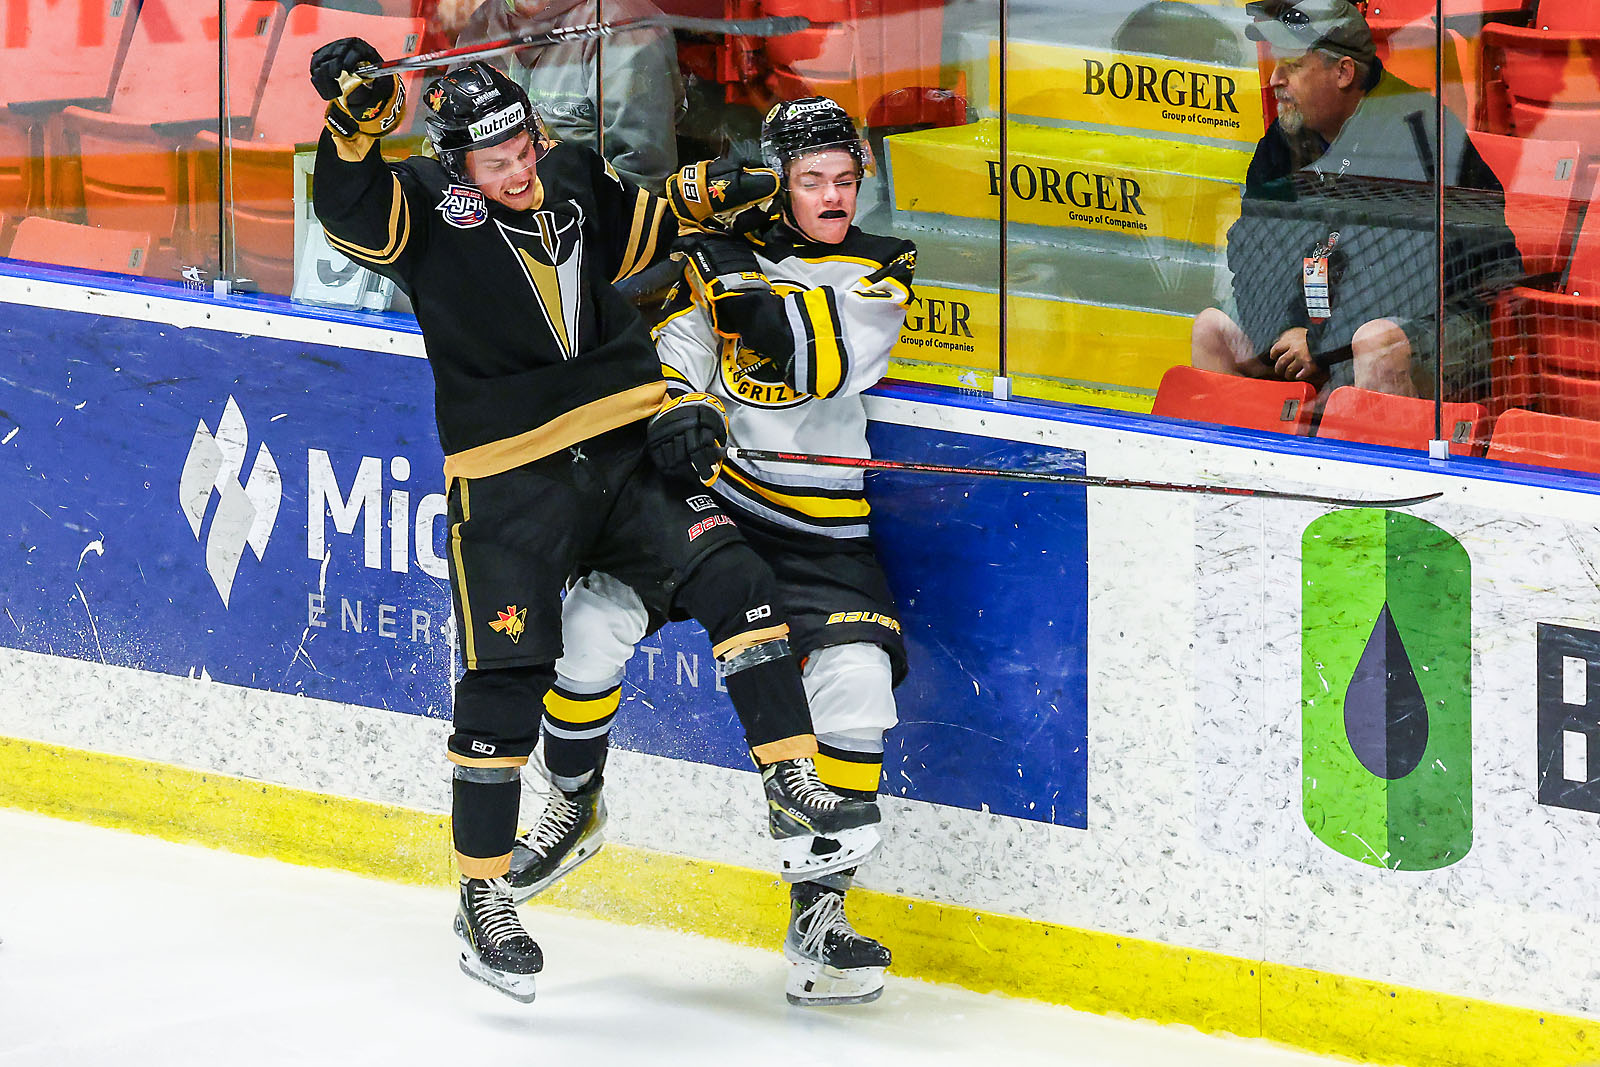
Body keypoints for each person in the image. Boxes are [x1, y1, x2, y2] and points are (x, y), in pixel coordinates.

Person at [307, 42, 879, 1003]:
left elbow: (647, 216)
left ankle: (790, 782)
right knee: (503, 690)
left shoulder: (568, 170)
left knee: (735, 578)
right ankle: (484, 897)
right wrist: (351, 123)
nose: (522, 169)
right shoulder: (419, 213)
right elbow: (347, 207)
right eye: (496, 163)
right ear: (457, 168)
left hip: (623, 449)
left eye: (524, 145)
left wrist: (722, 185)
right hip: (509, 481)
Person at [506, 96, 917, 1008]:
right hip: (717, 508)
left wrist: (730, 274)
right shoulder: (719, 252)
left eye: (845, 179)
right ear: (779, 182)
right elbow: (676, 348)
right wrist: (682, 405)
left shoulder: (883, 271)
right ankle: (571, 800)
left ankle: (820, 914)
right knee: (590, 622)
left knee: (854, 678)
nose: (833, 195)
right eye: (812, 180)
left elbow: (813, 356)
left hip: (818, 530)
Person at [1191, 0, 1519, 404]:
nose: (1275, 79)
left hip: (1444, 319)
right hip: (1321, 316)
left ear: (1343, 72)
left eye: (1292, 66)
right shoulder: (1284, 140)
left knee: (1374, 342)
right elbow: (1253, 249)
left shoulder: (1415, 131)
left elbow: (1403, 276)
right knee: (1212, 329)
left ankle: (1388, 462)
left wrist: (1320, 341)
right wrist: (1283, 330)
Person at [455, 0, 682, 192]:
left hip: (586, 219)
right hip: (499, 207)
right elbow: (449, 132)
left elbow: (643, 172)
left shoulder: (623, 25)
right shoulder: (485, 19)